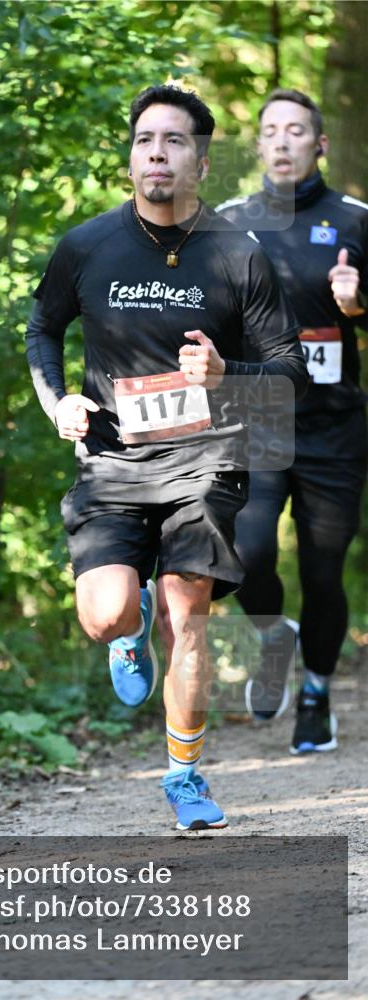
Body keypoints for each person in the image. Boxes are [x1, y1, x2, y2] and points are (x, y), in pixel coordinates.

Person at [25, 84, 308, 830]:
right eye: (145, 139)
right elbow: (42, 329)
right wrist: (59, 401)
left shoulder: (236, 255)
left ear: (201, 161)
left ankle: (184, 776)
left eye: (173, 141)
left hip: (205, 457)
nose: (156, 152)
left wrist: (227, 376)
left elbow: (286, 370)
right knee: (107, 613)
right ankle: (127, 628)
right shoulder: (86, 246)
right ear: (130, 157)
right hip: (112, 460)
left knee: (190, 614)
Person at [217, 89, 367, 754]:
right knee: (245, 554)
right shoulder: (222, 221)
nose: (281, 142)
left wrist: (356, 304)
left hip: (332, 422)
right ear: (257, 145)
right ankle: (274, 634)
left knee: (322, 571)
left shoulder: (355, 219)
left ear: (319, 144)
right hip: (255, 412)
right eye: (270, 130)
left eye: (296, 131)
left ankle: (314, 692)